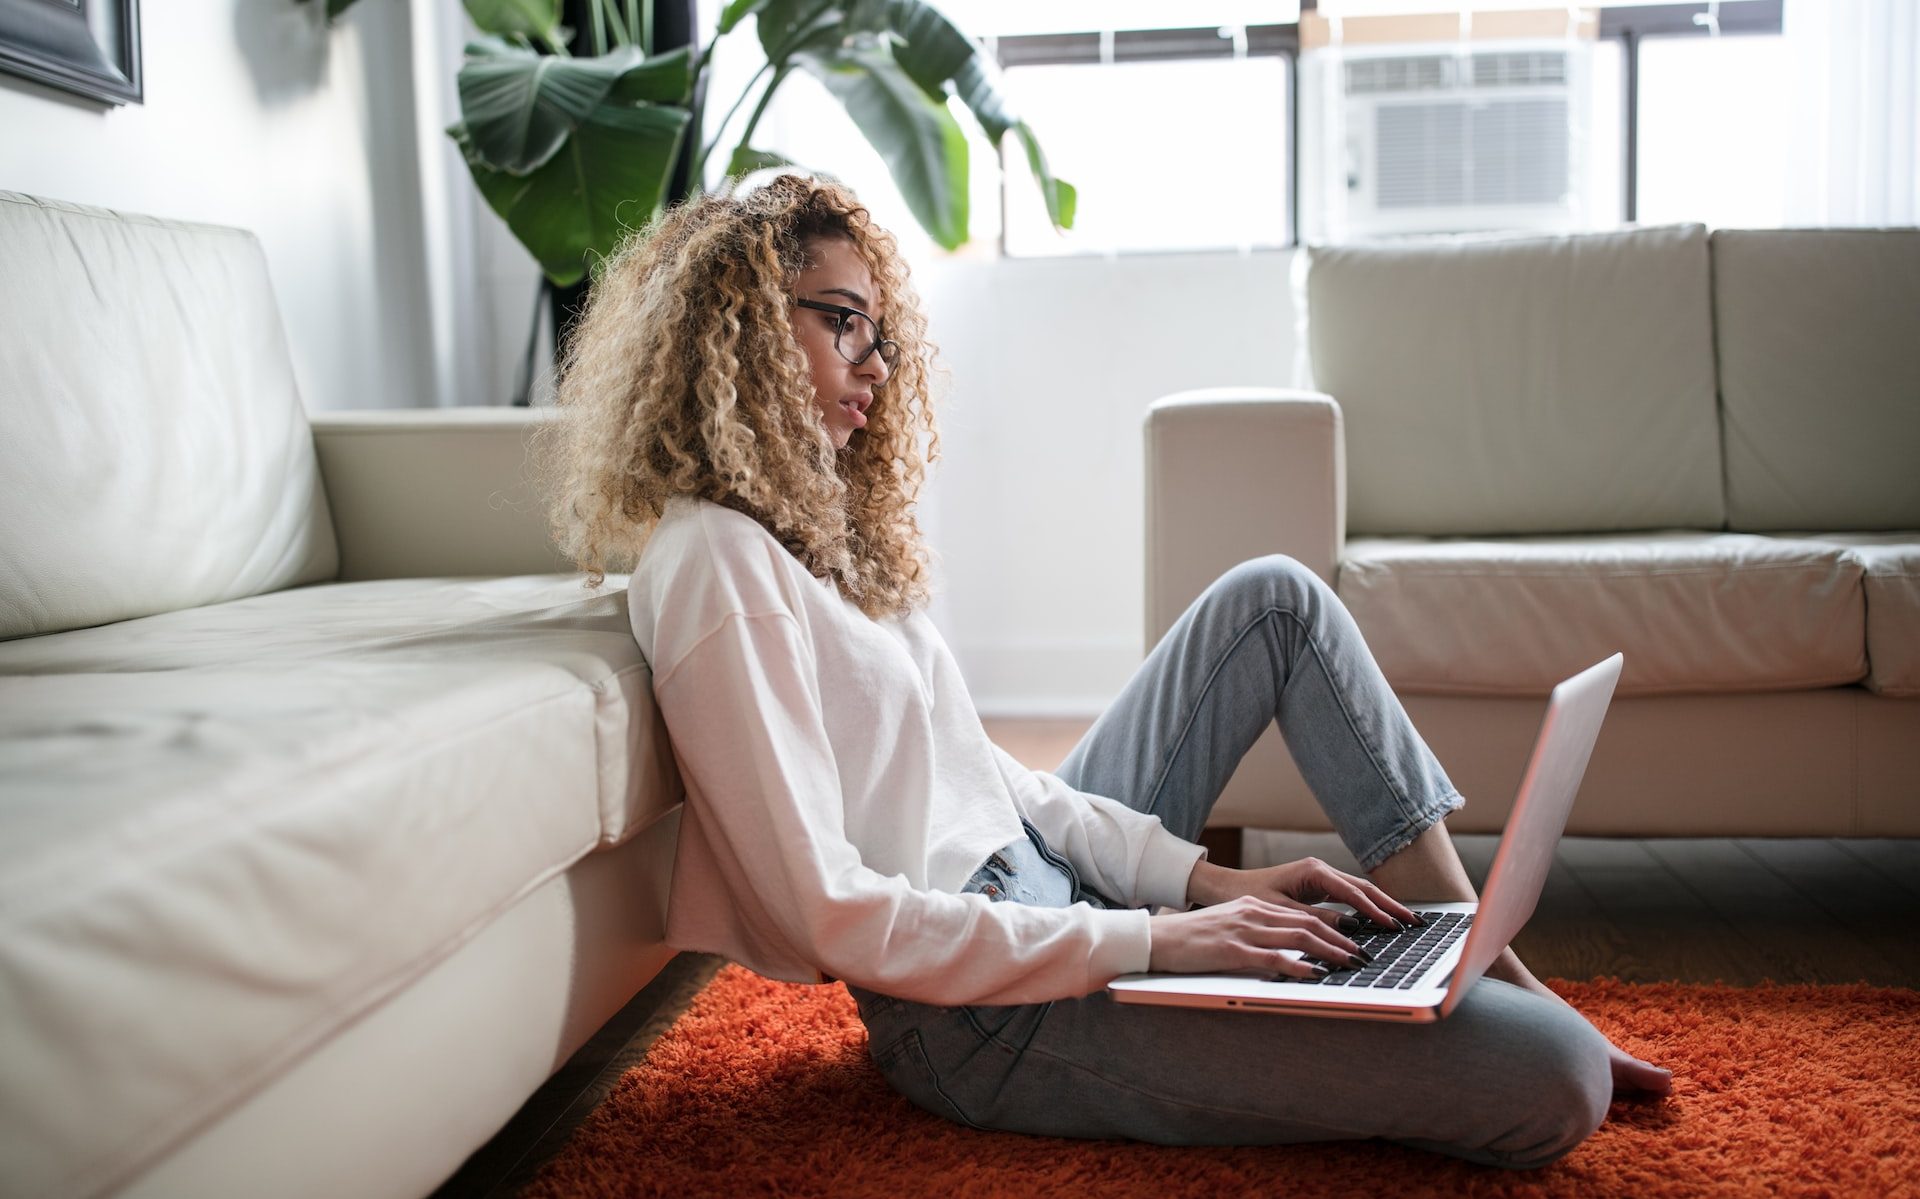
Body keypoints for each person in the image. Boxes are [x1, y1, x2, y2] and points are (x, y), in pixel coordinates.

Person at [543, 174, 1671, 1169]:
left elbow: (992, 780)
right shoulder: (714, 560)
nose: (874, 365)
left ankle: (1472, 951)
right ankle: (1480, 1002)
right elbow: (831, 911)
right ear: (736, 327)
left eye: (879, 332)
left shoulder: (815, 533)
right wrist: (1153, 939)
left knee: (1273, 597)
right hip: (979, 1014)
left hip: (1046, 890)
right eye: (843, 323)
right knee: (1558, 1077)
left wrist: (1199, 885)